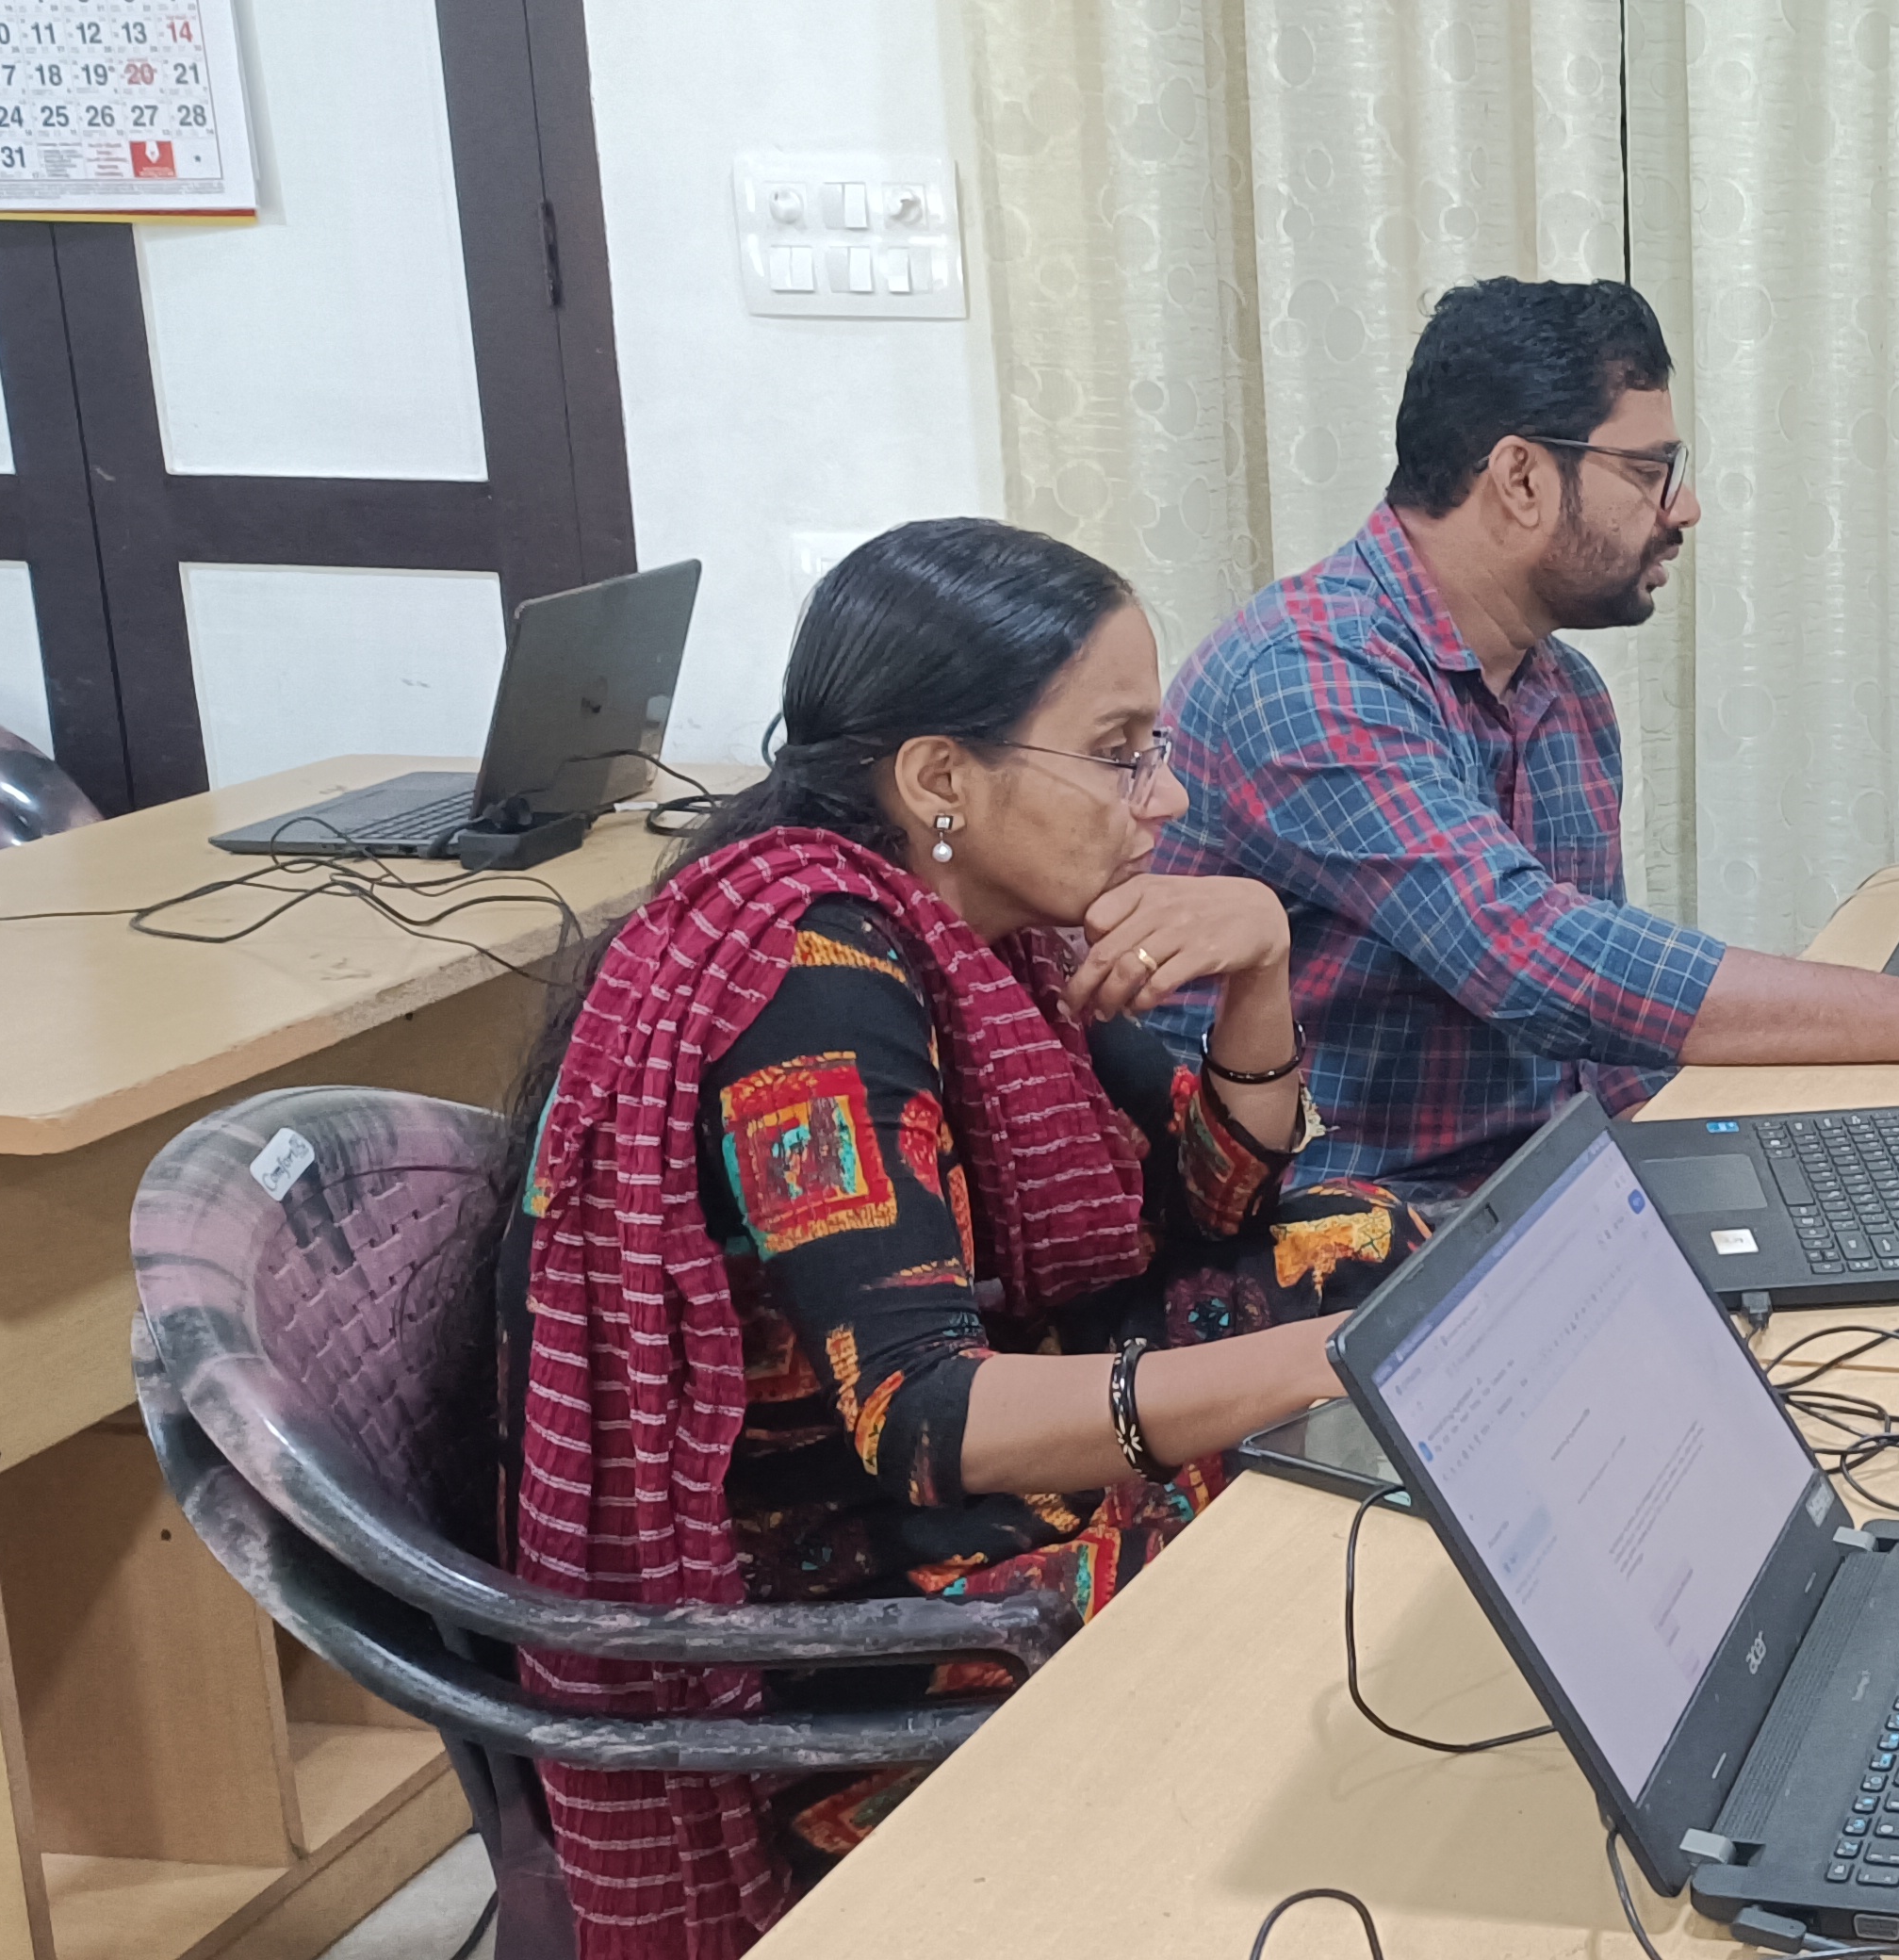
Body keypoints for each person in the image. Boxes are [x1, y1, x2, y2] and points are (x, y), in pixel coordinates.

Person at [493, 518, 1422, 1957]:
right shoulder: (812, 976)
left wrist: (1261, 962)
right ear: (940, 778)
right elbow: (923, 1416)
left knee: (1375, 1246)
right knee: (1331, 1502)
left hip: (922, 1470)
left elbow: (1210, 1210)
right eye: (1119, 754)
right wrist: (1326, 1365)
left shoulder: (980, 934)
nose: (1167, 796)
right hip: (838, 1588)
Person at [1150, 277, 1899, 1202]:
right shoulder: (1305, 675)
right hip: (1346, 1229)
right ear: (1522, 479)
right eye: (1650, 470)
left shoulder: (1564, 693)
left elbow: (1599, 1044)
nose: (1683, 508)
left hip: (1539, 1194)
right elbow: (1533, 958)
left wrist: (1730, 1172)